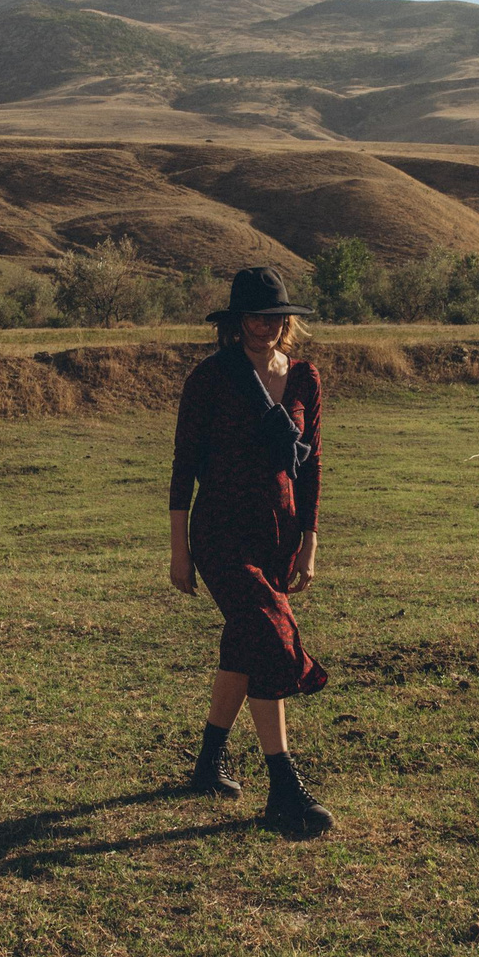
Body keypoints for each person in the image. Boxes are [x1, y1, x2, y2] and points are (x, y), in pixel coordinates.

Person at [167, 266, 333, 834]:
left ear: (288, 321)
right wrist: (179, 549)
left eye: (274, 316)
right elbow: (183, 468)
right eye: (253, 316)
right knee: (270, 635)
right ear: (235, 322)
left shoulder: (306, 377)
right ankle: (284, 787)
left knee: (246, 639)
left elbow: (310, 470)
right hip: (219, 533)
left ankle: (208, 765)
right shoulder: (212, 377)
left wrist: (310, 543)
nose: (264, 326)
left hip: (279, 537)